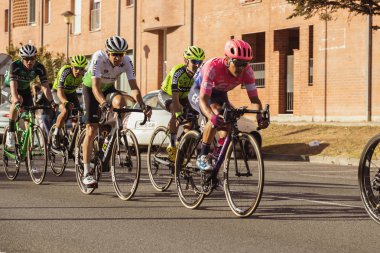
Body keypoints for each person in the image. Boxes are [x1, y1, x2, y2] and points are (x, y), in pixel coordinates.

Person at [188, 39, 269, 171]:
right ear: (227, 59)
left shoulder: (247, 72)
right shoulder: (213, 67)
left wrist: (259, 118)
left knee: (228, 122)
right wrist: (211, 116)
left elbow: (254, 100)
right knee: (216, 113)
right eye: (237, 63)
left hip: (220, 93)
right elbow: (203, 99)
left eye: (245, 64)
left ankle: (215, 157)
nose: (241, 68)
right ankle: (202, 156)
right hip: (199, 90)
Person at [81, 35, 152, 187]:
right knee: (91, 130)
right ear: (108, 53)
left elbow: (134, 87)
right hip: (91, 89)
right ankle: (86, 172)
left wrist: (142, 105)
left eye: (121, 54)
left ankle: (109, 137)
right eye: (115, 54)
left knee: (121, 102)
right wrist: (103, 103)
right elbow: (95, 87)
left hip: (108, 88)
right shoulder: (98, 58)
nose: (118, 58)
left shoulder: (127, 61)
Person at [158, 46, 205, 162]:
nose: (197, 65)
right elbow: (175, 95)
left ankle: (183, 142)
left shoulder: (199, 74)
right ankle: (172, 145)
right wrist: (178, 113)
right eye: (194, 61)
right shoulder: (178, 71)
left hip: (184, 97)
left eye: (200, 62)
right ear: (186, 61)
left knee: (192, 119)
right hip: (167, 95)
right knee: (176, 109)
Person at [4, 44, 56, 150]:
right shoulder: (15, 65)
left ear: (35, 58)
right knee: (18, 99)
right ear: (22, 58)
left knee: (30, 117)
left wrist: (52, 101)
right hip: (9, 88)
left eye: (32, 58)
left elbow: (45, 87)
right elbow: (13, 86)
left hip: (25, 90)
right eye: (26, 59)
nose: (29, 61)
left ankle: (28, 151)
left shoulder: (39, 67)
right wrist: (17, 101)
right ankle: (10, 132)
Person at [51, 55, 88, 149]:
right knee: (65, 111)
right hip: (58, 92)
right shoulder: (65, 71)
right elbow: (60, 91)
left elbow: (87, 90)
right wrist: (65, 102)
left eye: (81, 69)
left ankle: (73, 134)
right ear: (72, 66)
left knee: (78, 115)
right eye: (76, 68)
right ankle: (55, 134)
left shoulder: (85, 74)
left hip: (71, 93)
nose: (78, 71)